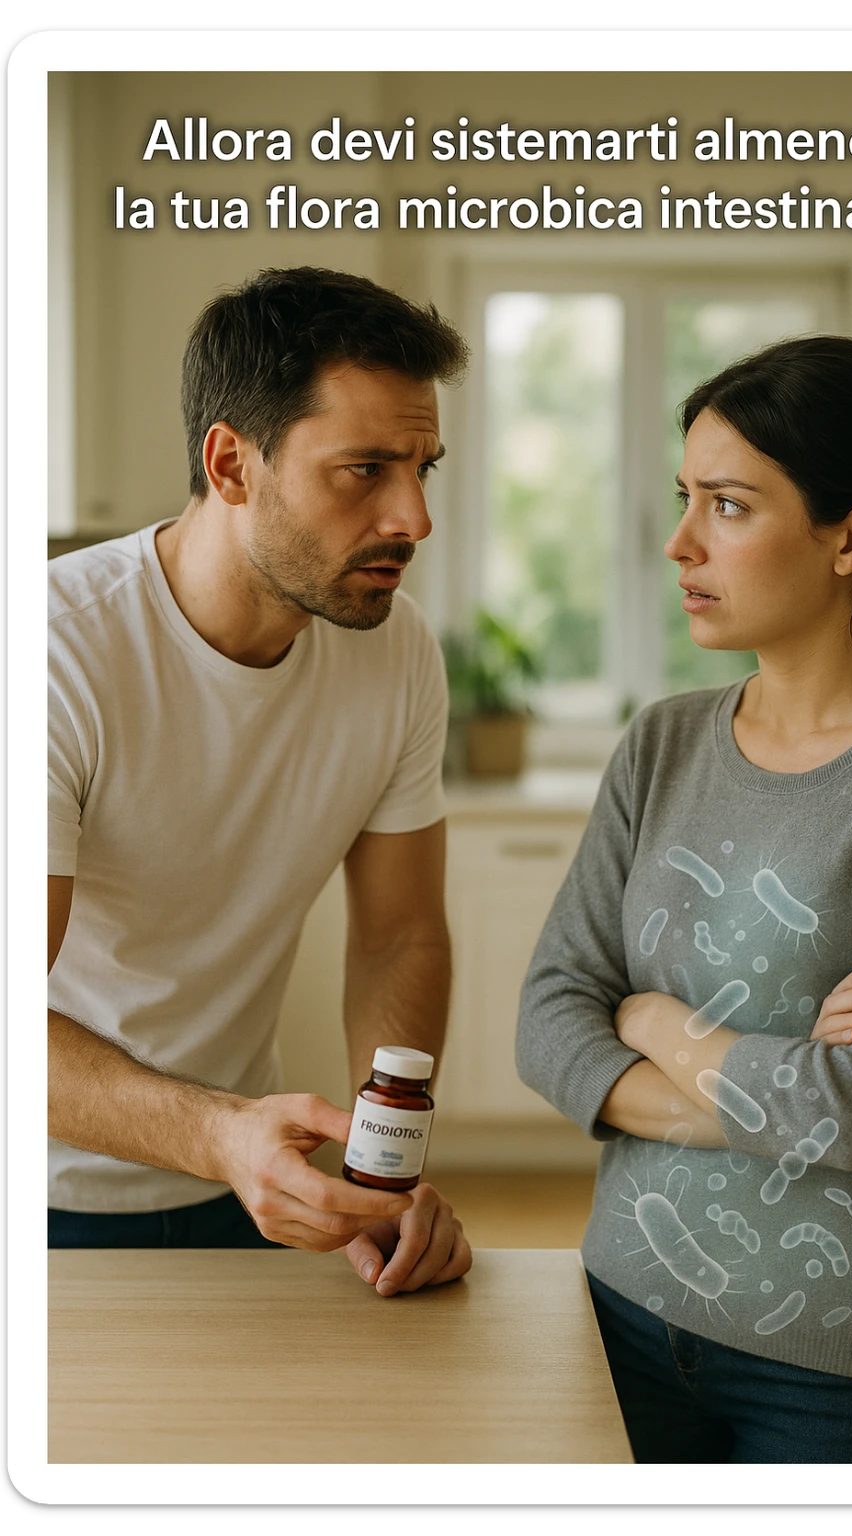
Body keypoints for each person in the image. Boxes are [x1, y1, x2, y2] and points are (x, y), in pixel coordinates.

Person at [517, 335, 852, 1463]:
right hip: (617, 1311)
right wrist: (770, 1097)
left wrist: (654, 1021)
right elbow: (545, 1020)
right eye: (685, 499)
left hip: (837, 1368)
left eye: (727, 505)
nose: (677, 543)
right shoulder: (663, 742)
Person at [48, 266, 472, 1295]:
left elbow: (398, 935)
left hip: (243, 1182)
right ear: (232, 463)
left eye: (422, 467)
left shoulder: (396, 649)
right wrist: (219, 1136)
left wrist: (386, 1167)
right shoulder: (56, 652)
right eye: (363, 469)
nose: (412, 515)